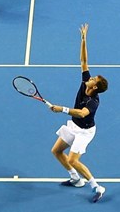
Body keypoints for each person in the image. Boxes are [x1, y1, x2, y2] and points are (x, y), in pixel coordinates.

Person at [50, 23, 109, 203]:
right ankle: (75, 179)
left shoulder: (93, 101)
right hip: (74, 126)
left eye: (93, 79)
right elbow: (84, 61)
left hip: (84, 131)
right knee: (57, 151)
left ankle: (97, 187)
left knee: (73, 159)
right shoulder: (85, 83)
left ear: (96, 87)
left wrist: (62, 109)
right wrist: (83, 40)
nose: (89, 78)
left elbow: (82, 113)